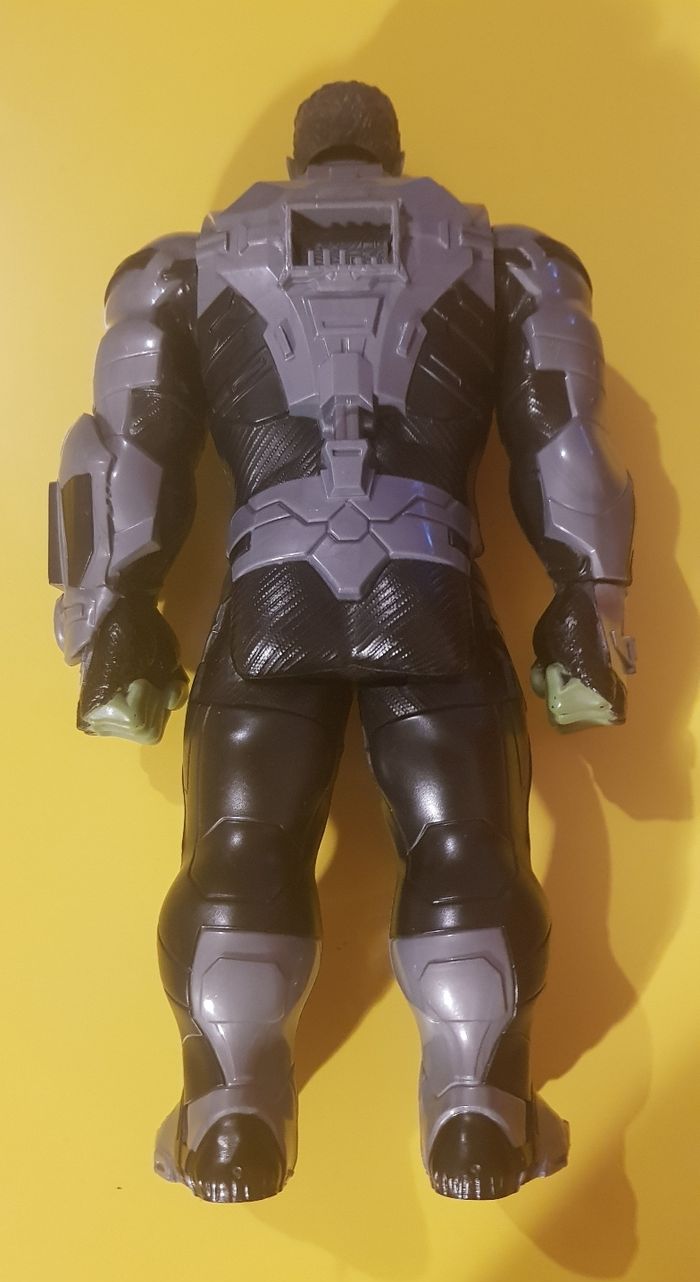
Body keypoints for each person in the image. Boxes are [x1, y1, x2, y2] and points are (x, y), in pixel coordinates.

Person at [50, 81, 635, 1202]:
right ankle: (475, 1112)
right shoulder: (508, 261)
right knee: (466, 848)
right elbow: (564, 435)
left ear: (296, 157)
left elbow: (119, 449)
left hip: (268, 597)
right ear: (395, 152)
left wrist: (110, 608)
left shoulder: (182, 268)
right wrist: (589, 600)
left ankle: (231, 1111)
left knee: (240, 847)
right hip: (429, 591)